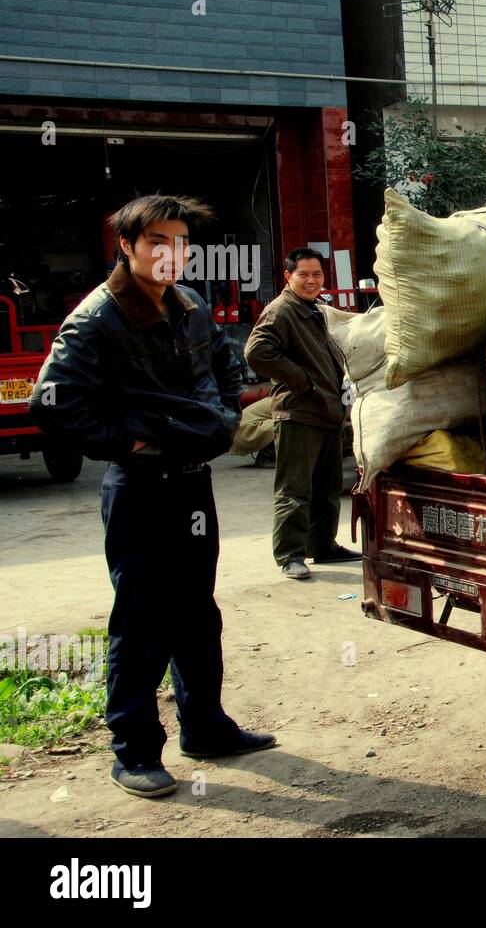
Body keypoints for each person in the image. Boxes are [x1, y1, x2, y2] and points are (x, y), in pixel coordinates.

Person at [30, 195, 275, 798]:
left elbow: (226, 365)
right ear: (128, 247)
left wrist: (217, 417)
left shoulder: (188, 303)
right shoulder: (97, 318)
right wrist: (124, 444)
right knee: (141, 621)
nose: (172, 254)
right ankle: (134, 751)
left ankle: (206, 726)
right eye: (157, 243)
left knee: (196, 610)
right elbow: (53, 403)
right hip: (140, 489)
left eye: (181, 243)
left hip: (192, 482)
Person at [245, 248, 359, 580]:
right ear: (288, 276)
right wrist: (303, 382)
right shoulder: (282, 311)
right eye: (304, 275)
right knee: (295, 489)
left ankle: (322, 545)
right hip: (299, 413)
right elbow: (256, 351)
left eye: (317, 275)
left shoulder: (315, 310)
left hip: (326, 411)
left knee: (328, 485)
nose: (311, 281)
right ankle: (289, 554)